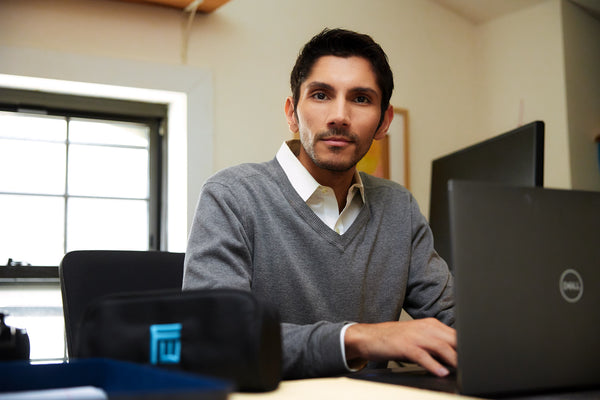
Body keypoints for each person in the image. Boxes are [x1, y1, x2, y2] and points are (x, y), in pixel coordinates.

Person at [183, 28, 456, 380]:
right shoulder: (231, 195)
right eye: (321, 95)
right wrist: (358, 338)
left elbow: (456, 318)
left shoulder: (398, 207)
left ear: (383, 122)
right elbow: (214, 339)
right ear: (292, 113)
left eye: (360, 99)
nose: (340, 116)